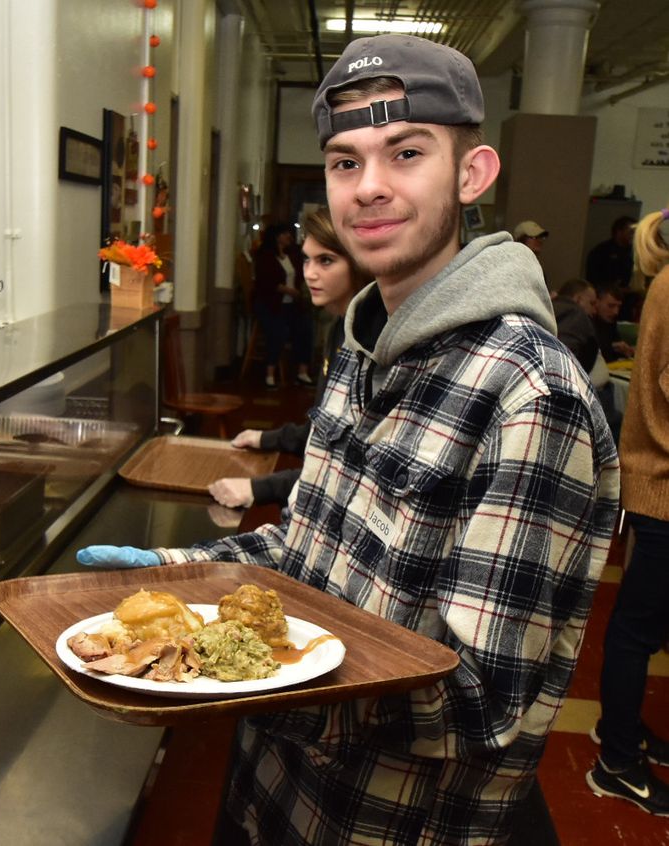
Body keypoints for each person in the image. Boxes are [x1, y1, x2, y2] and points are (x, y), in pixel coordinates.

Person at [78, 35, 619, 845]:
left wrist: (232, 671)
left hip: (384, 822)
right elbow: (304, 555)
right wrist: (177, 581)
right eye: (343, 161)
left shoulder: (528, 394)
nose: (368, 187)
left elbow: (479, 700)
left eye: (406, 153)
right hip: (269, 794)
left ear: (471, 176)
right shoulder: (362, 348)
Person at [586, 206, 669, 815]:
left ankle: (623, 733)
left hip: (657, 482)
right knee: (637, 629)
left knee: (643, 626)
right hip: (662, 484)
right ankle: (616, 760)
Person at [209, 208, 371, 510]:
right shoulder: (341, 326)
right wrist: (269, 438)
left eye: (326, 261)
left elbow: (350, 468)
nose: (309, 273)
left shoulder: (368, 342)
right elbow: (328, 428)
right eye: (307, 259)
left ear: (361, 263)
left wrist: (260, 487)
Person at [553, 278, 622, 443]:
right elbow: (564, 356)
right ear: (577, 299)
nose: (594, 309)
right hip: (587, 399)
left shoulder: (553, 309)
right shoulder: (575, 313)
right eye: (591, 303)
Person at [252, 221, 314, 389]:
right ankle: (270, 374)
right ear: (277, 237)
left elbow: (301, 276)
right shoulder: (265, 255)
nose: (289, 237)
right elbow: (265, 282)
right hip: (271, 304)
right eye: (285, 234)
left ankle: (302, 372)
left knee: (306, 328)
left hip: (291, 305)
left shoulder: (292, 255)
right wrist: (287, 290)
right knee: (278, 331)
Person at [585, 215, 636, 289]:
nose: (633, 235)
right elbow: (593, 278)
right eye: (631, 232)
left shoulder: (633, 252)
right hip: (604, 294)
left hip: (629, 295)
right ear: (619, 231)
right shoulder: (601, 251)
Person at [593, 282, 635, 362]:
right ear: (596, 302)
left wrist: (627, 350)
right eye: (611, 306)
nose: (616, 312)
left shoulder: (610, 321)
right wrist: (611, 347)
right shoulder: (587, 322)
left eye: (618, 306)